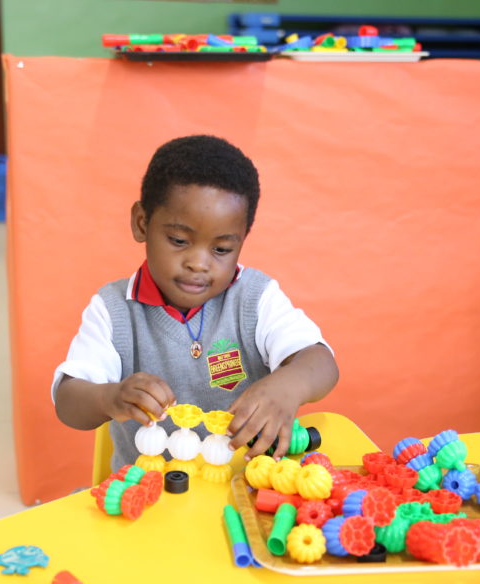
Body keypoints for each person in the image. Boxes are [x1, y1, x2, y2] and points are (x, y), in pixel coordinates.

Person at [52, 134, 339, 471]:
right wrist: (109, 398)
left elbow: (321, 362)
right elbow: (68, 402)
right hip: (149, 496)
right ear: (142, 222)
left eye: (221, 249)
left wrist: (289, 384)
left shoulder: (256, 298)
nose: (199, 263)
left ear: (242, 238)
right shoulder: (113, 310)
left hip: (247, 489)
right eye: (179, 240)